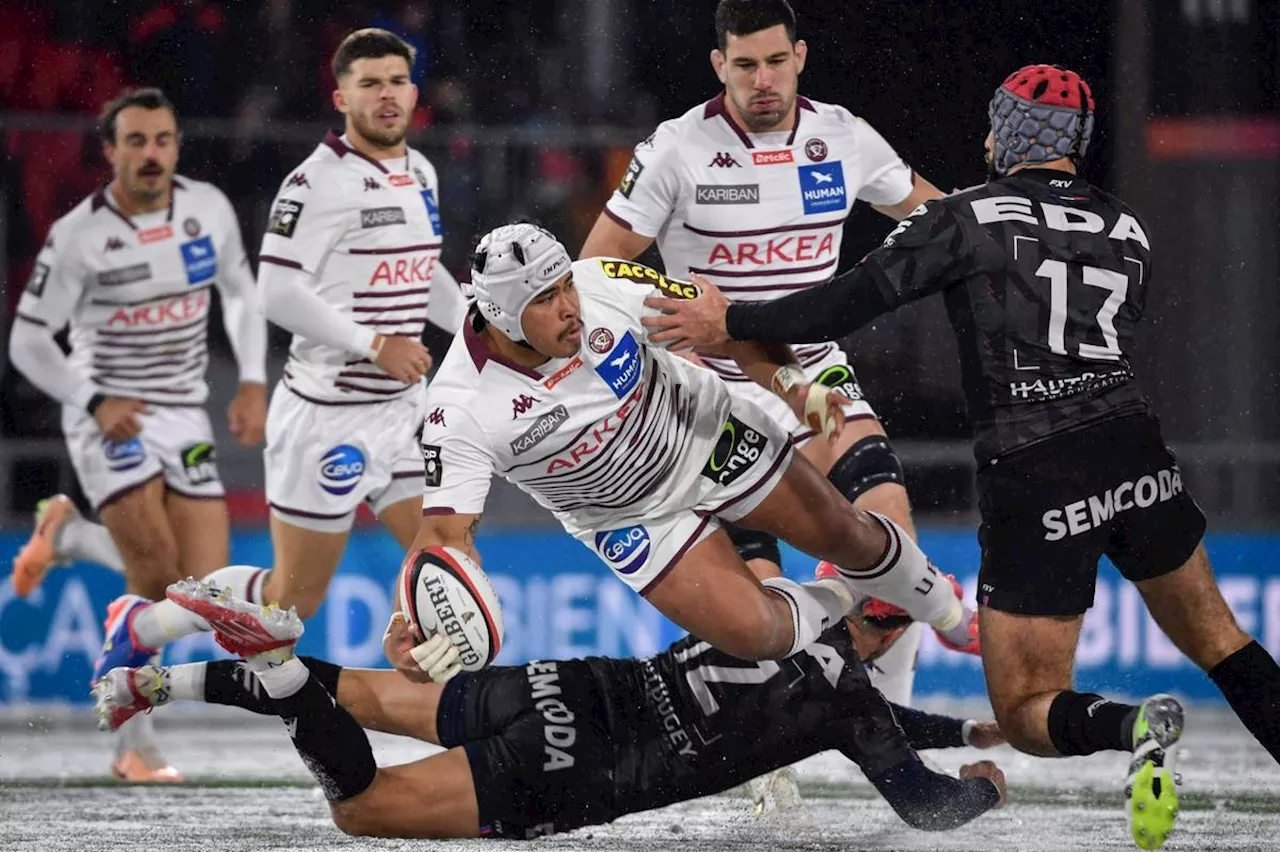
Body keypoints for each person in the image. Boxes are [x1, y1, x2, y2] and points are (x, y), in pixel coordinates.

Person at [642, 62, 1280, 850]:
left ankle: (1137, 725)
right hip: (1135, 447)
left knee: (1026, 711)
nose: (981, 138)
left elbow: (850, 300)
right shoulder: (1127, 225)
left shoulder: (967, 216)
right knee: (1226, 643)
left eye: (992, 125)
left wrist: (731, 319)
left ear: (1009, 133)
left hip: (1036, 468)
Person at [579, 0, 968, 710]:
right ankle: (774, 765)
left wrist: (1007, 236)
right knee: (760, 617)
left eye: (777, 62)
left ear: (801, 57)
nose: (764, 80)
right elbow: (594, 273)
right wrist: (666, 362)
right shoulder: (675, 149)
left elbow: (938, 219)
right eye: (747, 65)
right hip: (707, 393)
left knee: (894, 541)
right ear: (719, 65)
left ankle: (897, 733)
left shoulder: (842, 137)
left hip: (812, 371)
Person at [52, 29, 469, 679]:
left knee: (443, 549)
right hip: (327, 418)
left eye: (396, 81)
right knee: (290, 604)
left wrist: (476, 321)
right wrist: (375, 343)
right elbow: (275, 290)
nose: (386, 95)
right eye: (370, 84)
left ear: (413, 91)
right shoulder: (316, 183)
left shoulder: (421, 172)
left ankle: (416, 670)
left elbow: (421, 271)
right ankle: (144, 623)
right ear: (342, 97)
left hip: (402, 416)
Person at [409, 221, 979, 673]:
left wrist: (793, 386)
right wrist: (413, 622)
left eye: (566, 287)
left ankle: (951, 617)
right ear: (501, 315)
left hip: (711, 436)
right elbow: (443, 540)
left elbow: (725, 325)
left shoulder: (604, 281)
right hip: (631, 520)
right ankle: (846, 594)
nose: (570, 307)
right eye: (545, 299)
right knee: (760, 637)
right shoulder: (457, 410)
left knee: (850, 534)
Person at [92, 576, 1007, 839]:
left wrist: (961, 727)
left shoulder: (770, 593)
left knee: (363, 697)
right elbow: (923, 803)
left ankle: (161, 681)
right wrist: (984, 783)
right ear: (898, 637)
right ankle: (281, 675)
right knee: (362, 808)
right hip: (585, 766)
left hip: (574, 684)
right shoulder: (856, 704)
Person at [7, 87, 267, 781]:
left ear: (177, 146)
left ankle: (64, 536)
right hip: (108, 414)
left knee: (202, 594)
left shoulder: (206, 209)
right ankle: (133, 745)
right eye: (136, 142)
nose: (150, 155)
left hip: (182, 410)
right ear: (110, 151)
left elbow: (240, 290)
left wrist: (250, 380)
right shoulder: (79, 235)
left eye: (162, 141)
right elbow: (28, 340)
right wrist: (91, 401)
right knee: (152, 575)